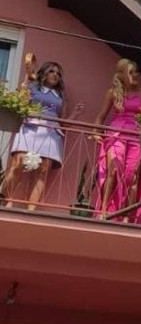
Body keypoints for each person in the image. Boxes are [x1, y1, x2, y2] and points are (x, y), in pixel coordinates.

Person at [1, 53, 84, 209]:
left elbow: (63, 121)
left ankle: (31, 209)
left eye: (58, 73)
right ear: (44, 72)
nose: (56, 75)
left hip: (51, 132)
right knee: (18, 163)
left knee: (43, 170)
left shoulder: (60, 95)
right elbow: (21, 105)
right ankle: (7, 200)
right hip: (30, 126)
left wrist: (76, 115)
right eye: (52, 71)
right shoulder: (32, 87)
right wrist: (25, 83)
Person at [91, 59, 141, 223]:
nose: (135, 75)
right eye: (131, 72)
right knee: (113, 170)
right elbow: (100, 116)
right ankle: (103, 211)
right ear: (123, 75)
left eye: (136, 72)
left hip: (136, 135)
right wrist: (96, 132)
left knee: (132, 176)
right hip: (116, 132)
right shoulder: (113, 92)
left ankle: (127, 217)